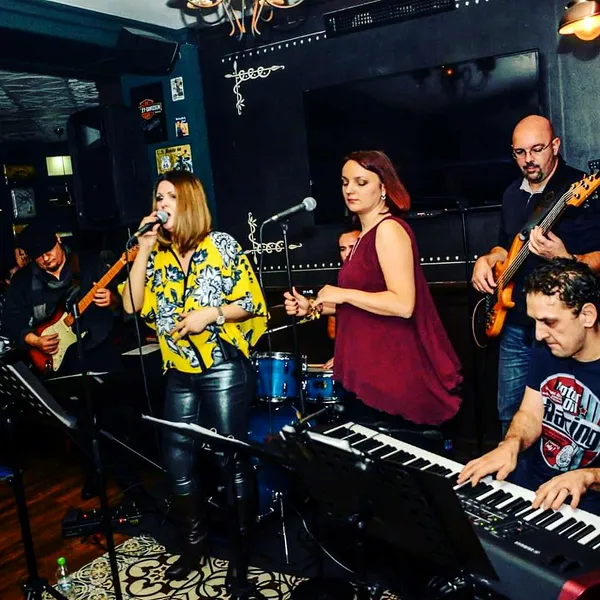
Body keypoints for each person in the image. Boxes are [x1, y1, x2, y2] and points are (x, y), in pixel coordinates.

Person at [122, 170, 267, 581]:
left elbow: (252, 302)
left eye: (169, 196)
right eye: (158, 197)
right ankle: (194, 545)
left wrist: (212, 314)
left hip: (223, 367)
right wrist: (143, 250)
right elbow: (131, 305)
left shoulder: (221, 245)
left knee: (230, 460)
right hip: (180, 370)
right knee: (177, 461)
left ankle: (241, 554)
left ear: (188, 202)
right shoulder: (157, 254)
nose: (161, 204)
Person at [285, 150, 462, 426]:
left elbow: (403, 304)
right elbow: (364, 303)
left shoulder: (389, 230)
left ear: (383, 187)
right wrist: (313, 307)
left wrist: (342, 293)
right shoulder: (363, 236)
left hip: (392, 373)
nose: (350, 190)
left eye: (361, 182)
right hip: (369, 369)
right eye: (345, 182)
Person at [472, 115, 600, 434]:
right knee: (510, 414)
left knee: (565, 420)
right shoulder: (511, 194)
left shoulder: (580, 188)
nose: (528, 159)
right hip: (515, 323)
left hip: (565, 325)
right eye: (520, 152)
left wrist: (568, 259)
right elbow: (505, 247)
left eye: (537, 149)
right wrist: (487, 259)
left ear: (555, 146)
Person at [2, 223, 135, 500]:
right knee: (79, 422)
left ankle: (128, 477)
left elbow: (128, 302)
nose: (45, 258)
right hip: (61, 360)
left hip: (100, 349)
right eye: (38, 256)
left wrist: (112, 299)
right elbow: (11, 321)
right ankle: (95, 473)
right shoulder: (24, 281)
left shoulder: (90, 263)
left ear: (57, 239)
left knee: (117, 414)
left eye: (48, 251)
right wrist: (34, 340)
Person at [459, 258, 600, 515]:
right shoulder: (547, 346)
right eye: (535, 321)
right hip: (532, 491)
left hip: (586, 511)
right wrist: (511, 443)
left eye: (550, 322)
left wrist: (589, 476)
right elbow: (531, 413)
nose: (538, 334)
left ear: (587, 316)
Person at [323, 227, 360, 370]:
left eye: (352, 247)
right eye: (342, 249)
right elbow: (332, 331)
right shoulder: (338, 281)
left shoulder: (380, 278)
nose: (347, 253)